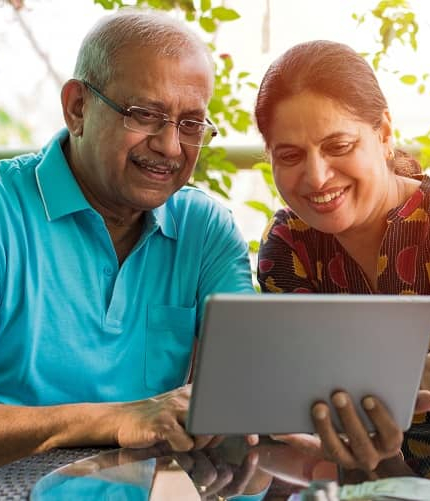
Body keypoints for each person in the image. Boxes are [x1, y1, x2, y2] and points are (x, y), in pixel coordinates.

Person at [0, 9, 256, 466]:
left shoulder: (204, 230)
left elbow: (244, 390)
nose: (171, 146)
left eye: (191, 124)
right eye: (146, 115)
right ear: (78, 107)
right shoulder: (6, 212)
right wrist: (115, 419)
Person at [254, 40, 430, 484]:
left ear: (384, 133)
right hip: (356, 484)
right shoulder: (291, 246)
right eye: (290, 155)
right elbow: (300, 395)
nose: (316, 176)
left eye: (339, 145)